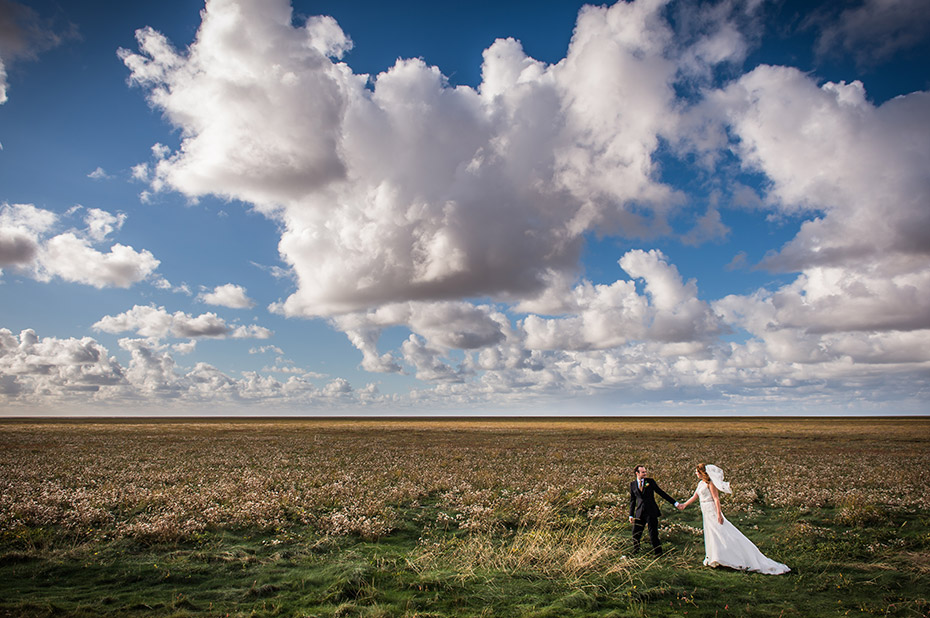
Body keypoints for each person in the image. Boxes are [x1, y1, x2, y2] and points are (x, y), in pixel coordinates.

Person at [678, 463, 790, 574]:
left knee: (720, 531)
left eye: (697, 472)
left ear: (702, 473)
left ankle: (732, 556)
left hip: (711, 509)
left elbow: (716, 499)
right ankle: (714, 557)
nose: (695, 473)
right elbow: (695, 496)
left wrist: (719, 514)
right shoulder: (700, 484)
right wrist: (684, 505)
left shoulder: (710, 484)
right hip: (705, 511)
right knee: (711, 533)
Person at [628, 465, 680, 555]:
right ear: (637, 473)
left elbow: (661, 493)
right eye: (643, 472)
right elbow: (633, 500)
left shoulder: (650, 482)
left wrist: (675, 503)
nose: (645, 473)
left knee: (653, 534)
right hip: (640, 512)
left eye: (645, 471)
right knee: (635, 533)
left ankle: (658, 552)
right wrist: (631, 515)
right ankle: (636, 550)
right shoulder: (632, 484)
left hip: (651, 511)